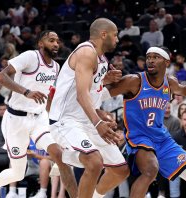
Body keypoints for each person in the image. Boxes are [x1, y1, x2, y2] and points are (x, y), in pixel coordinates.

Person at [106, 46, 186, 198]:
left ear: (166, 62)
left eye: (155, 57)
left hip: (163, 139)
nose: (150, 60)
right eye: (148, 56)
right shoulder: (134, 81)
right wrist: (103, 83)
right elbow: (101, 94)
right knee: (151, 170)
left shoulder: (170, 83)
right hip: (139, 137)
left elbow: (184, 90)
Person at [0, 30, 77, 198]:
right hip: (15, 119)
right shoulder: (30, 57)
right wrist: (26, 92)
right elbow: (0, 76)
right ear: (40, 43)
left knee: (59, 156)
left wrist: (55, 119)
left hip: (39, 118)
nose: (56, 44)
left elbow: (45, 97)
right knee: (18, 174)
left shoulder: (56, 67)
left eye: (58, 41)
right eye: (51, 40)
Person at [48, 18, 129, 198]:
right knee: (94, 162)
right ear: (103, 34)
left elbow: (92, 92)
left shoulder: (102, 60)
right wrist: (98, 121)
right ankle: (65, 156)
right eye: (115, 35)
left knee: (121, 170)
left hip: (86, 121)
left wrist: (105, 79)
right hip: (65, 121)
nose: (117, 40)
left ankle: (93, 194)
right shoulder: (86, 52)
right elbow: (81, 94)